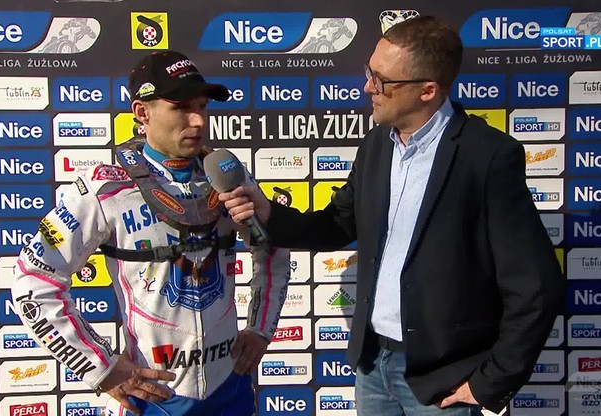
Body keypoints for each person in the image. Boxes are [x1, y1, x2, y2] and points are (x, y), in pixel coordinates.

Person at [220, 16, 564, 416]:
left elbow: (535, 284)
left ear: (427, 90)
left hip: (443, 381)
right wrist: (270, 215)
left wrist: (492, 381)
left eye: (381, 80)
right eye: (369, 72)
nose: (368, 87)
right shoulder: (376, 145)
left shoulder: (487, 156)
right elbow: (337, 224)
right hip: (372, 366)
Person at [11, 50, 291, 416]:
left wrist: (261, 329)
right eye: (181, 107)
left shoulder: (228, 177)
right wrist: (100, 367)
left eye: (202, 107)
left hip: (229, 388)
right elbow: (34, 278)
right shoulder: (105, 189)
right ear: (142, 113)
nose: (198, 121)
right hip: (156, 396)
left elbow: (273, 250)